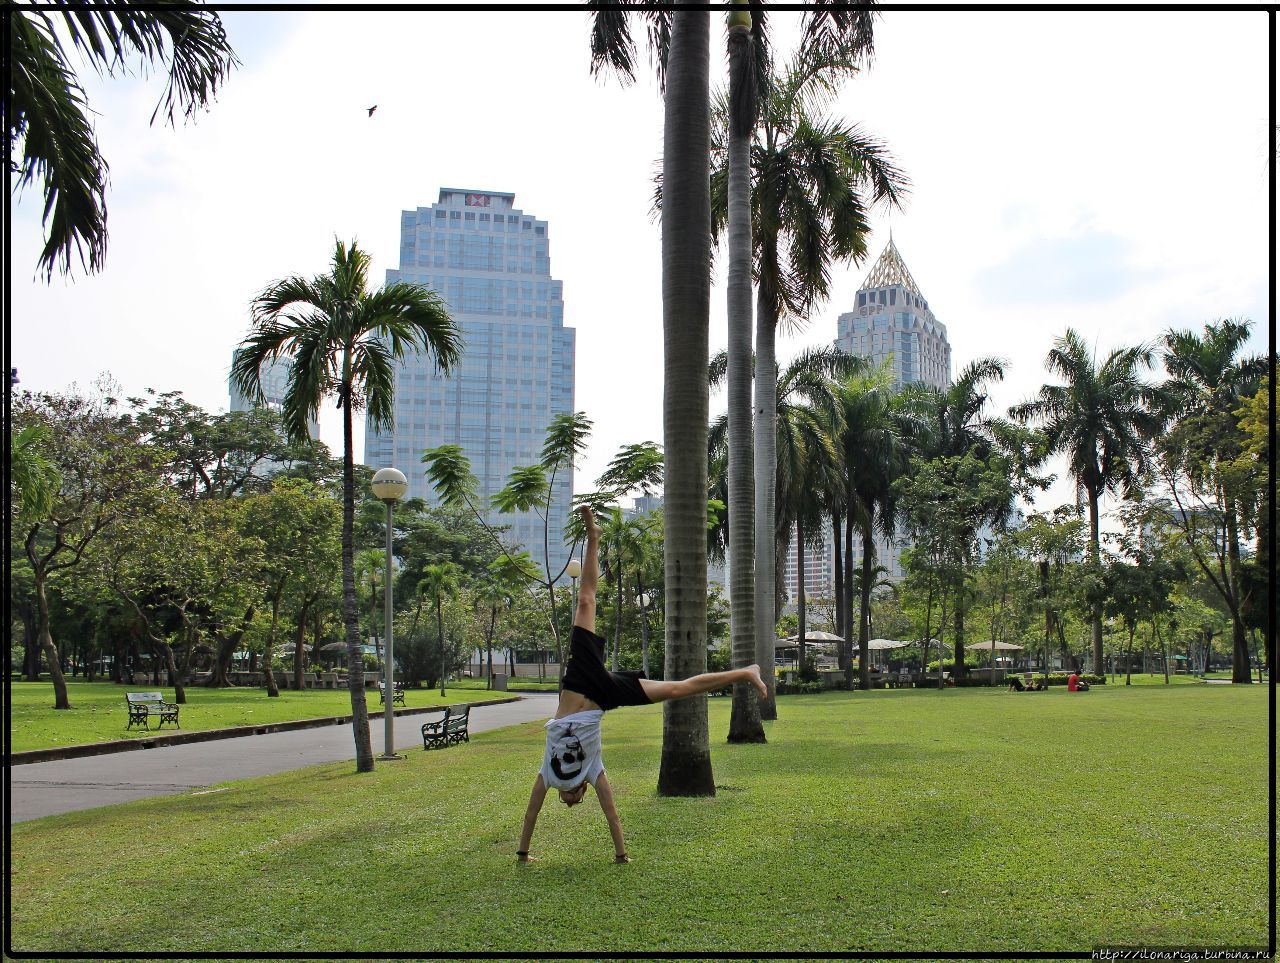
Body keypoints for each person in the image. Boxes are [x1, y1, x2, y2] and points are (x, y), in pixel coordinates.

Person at [516, 505, 770, 865]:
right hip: (604, 695)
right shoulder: (592, 772)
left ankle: (593, 539)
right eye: (574, 799)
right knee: (677, 690)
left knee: (586, 600)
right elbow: (612, 813)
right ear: (583, 791)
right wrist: (621, 856)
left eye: (566, 800)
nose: (569, 799)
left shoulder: (548, 775)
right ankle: (746, 672)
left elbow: (530, 815)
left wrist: (523, 853)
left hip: (577, 683)